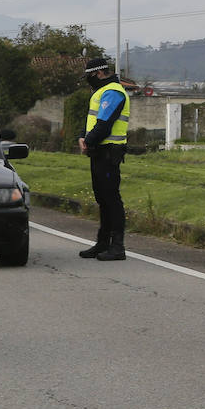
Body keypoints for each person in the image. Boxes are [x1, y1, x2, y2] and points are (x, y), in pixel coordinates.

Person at [78, 56, 130, 261]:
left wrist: (88, 141)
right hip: (99, 151)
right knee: (102, 198)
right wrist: (83, 136)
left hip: (109, 151)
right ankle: (102, 243)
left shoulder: (113, 92)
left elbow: (104, 123)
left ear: (99, 73)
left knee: (111, 199)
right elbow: (92, 119)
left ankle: (117, 247)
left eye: (89, 76)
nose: (88, 80)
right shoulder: (100, 91)